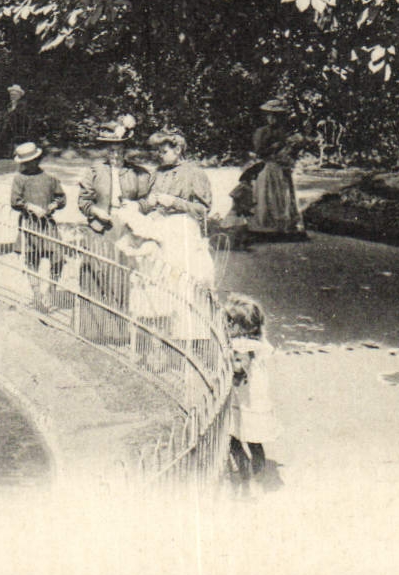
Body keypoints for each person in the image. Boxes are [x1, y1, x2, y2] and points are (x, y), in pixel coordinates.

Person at [75, 115, 150, 344]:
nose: (115, 155)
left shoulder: (138, 173)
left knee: (121, 278)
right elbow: (83, 200)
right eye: (111, 150)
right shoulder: (94, 171)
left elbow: (148, 201)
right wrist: (96, 212)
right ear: (106, 151)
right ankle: (93, 331)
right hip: (100, 228)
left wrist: (136, 207)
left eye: (119, 150)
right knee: (95, 274)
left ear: (125, 150)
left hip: (126, 228)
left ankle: (120, 333)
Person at [142, 129, 218, 351]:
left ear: (178, 150)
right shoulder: (157, 173)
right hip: (160, 231)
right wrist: (149, 206)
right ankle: (162, 341)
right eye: (157, 151)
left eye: (164, 151)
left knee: (185, 282)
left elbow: (203, 209)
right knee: (160, 282)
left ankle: (191, 342)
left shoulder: (193, 173)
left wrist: (174, 202)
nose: (159, 155)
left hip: (183, 231)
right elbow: (149, 201)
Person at [225, 293, 279, 484]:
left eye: (230, 322)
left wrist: (231, 367)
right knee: (254, 440)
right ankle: (259, 471)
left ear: (240, 325)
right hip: (256, 396)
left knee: (234, 436)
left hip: (245, 397)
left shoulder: (242, 345)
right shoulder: (259, 342)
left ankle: (246, 474)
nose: (227, 326)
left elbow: (240, 369)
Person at [9, 142, 66, 307]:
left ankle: (51, 292)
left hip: (47, 225)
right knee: (32, 260)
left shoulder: (49, 179)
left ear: (38, 159)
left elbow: (61, 198)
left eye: (32, 161)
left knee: (58, 258)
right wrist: (30, 207)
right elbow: (15, 201)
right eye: (25, 163)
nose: (28, 165)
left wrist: (53, 205)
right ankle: (36, 295)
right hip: (29, 224)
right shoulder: (19, 179)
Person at [242, 99, 306, 240]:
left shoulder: (285, 133)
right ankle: (266, 225)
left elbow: (292, 151)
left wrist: (289, 152)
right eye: (270, 115)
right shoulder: (262, 132)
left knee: (284, 194)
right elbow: (259, 151)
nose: (272, 118)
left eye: (276, 115)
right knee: (267, 194)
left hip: (282, 167)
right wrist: (274, 147)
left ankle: (283, 226)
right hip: (268, 166)